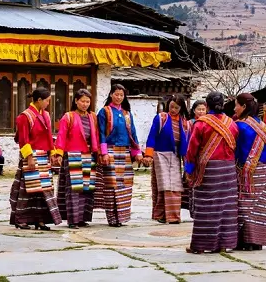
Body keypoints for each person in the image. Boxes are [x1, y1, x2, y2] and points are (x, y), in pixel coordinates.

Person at [184, 91, 239, 254]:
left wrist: (189, 170)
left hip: (208, 169)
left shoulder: (201, 124)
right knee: (225, 206)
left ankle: (200, 245)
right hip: (228, 169)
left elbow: (192, 149)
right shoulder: (232, 123)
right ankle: (223, 244)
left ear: (206, 106)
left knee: (206, 205)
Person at [9, 88, 62, 230]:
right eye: (47, 100)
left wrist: (53, 153)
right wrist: (29, 157)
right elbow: (23, 139)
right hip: (30, 156)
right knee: (26, 189)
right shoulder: (25, 116)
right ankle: (20, 219)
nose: (48, 103)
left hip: (43, 156)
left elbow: (49, 137)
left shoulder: (45, 115)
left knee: (43, 190)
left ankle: (40, 220)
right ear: (39, 100)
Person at [95, 84, 142, 227]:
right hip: (110, 151)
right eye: (116, 94)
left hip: (125, 152)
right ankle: (112, 218)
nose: (119, 97)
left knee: (125, 185)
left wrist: (137, 152)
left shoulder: (127, 114)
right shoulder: (104, 112)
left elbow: (133, 133)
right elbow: (101, 133)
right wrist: (103, 152)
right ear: (111, 95)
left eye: (121, 95)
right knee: (111, 185)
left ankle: (121, 217)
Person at [55, 89, 99, 229]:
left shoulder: (92, 117)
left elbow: (96, 135)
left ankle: (82, 218)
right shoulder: (68, 117)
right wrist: (59, 154)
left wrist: (97, 152)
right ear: (76, 101)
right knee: (74, 188)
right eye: (82, 101)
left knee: (87, 188)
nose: (85, 104)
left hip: (89, 155)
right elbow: (61, 136)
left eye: (87, 101)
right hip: (73, 155)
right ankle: (73, 220)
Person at [143, 94, 190, 225]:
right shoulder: (161, 118)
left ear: (181, 108)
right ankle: (165, 215)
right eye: (171, 106)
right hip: (160, 154)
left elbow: (186, 144)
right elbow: (152, 136)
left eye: (176, 107)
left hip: (175, 156)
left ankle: (170, 215)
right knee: (164, 185)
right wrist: (148, 154)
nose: (173, 109)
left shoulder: (185, 123)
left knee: (175, 185)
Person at [234, 93, 266, 251]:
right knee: (258, 206)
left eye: (236, 104)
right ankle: (257, 240)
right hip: (262, 169)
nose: (235, 108)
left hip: (244, 170)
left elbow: (235, 150)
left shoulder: (239, 126)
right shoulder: (263, 126)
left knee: (243, 204)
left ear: (243, 107)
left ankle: (244, 240)